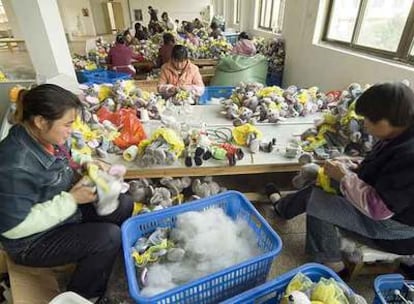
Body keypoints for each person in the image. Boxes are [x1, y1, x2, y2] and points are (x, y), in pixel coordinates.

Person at [0, 84, 134, 302]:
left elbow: (67, 157)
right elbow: (14, 229)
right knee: (108, 237)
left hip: (59, 211)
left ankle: (100, 263)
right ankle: (83, 294)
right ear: (41, 121)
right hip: (31, 241)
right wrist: (71, 200)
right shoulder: (15, 165)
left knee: (123, 204)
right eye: (67, 124)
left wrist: (88, 164)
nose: (70, 130)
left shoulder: (45, 137)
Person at [266, 81, 414, 275]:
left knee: (317, 201)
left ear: (386, 121)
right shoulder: (401, 134)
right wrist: (352, 165)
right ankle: (282, 208)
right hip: (389, 209)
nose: (365, 126)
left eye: (368, 120)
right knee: (322, 181)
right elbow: (381, 169)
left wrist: (344, 176)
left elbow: (379, 209)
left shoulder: (409, 155)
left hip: (397, 231)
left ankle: (332, 265)